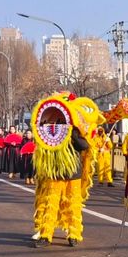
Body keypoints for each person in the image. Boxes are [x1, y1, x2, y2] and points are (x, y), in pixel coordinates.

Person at [31, 92, 104, 248]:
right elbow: (83, 146)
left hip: (66, 172)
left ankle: (67, 234)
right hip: (60, 172)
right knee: (55, 203)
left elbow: (83, 146)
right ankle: (55, 234)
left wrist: (75, 134)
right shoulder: (55, 132)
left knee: (67, 203)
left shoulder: (64, 131)